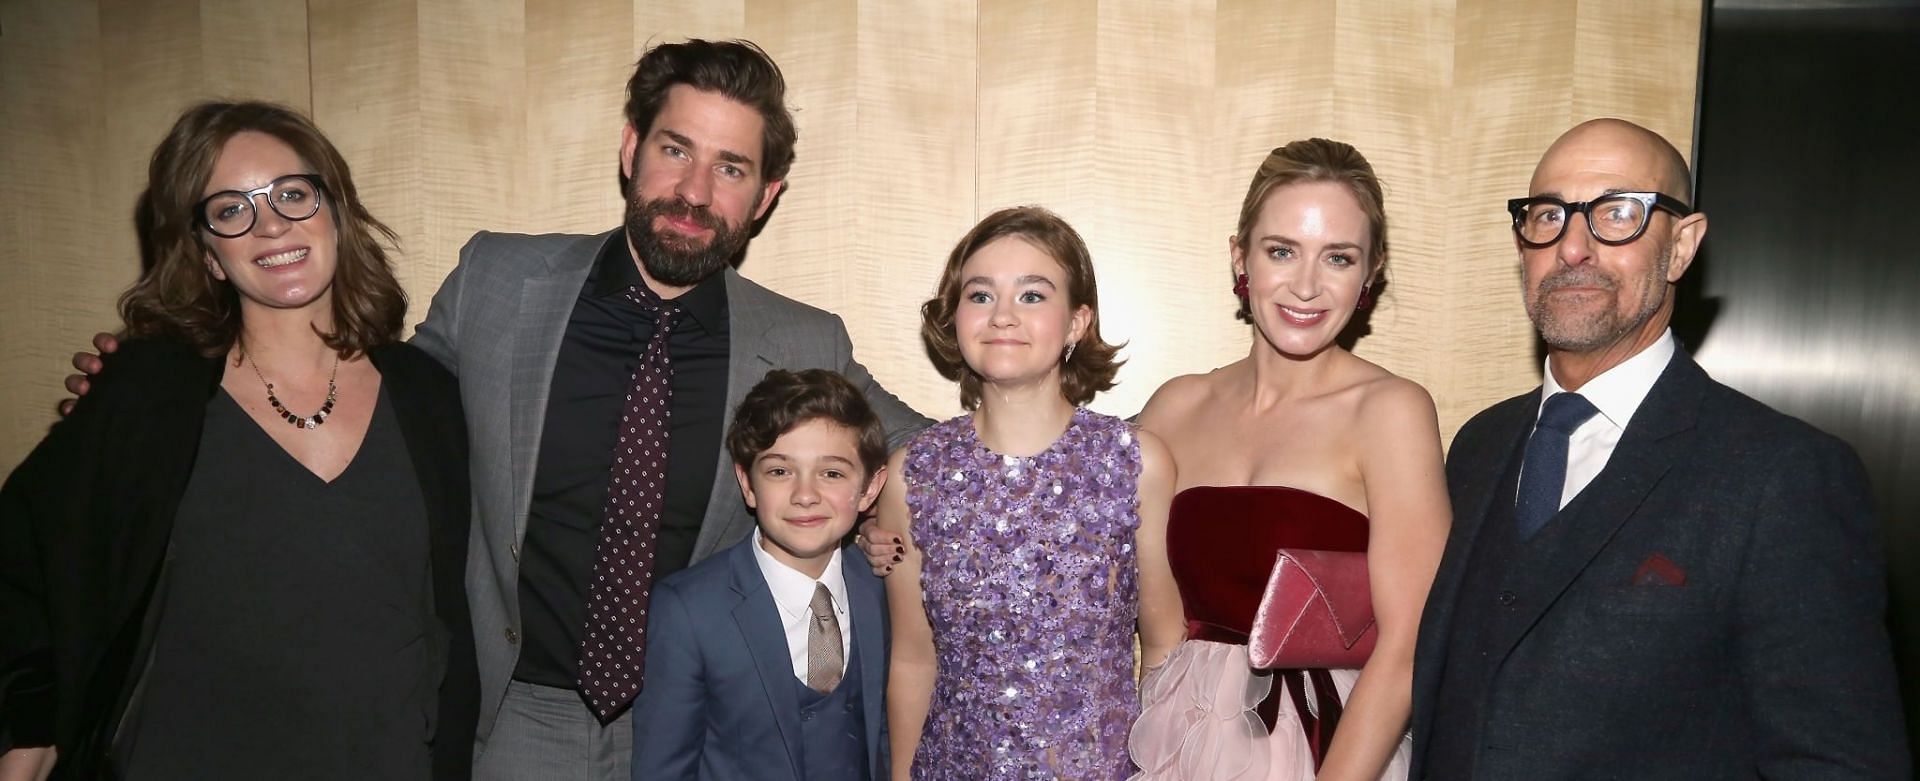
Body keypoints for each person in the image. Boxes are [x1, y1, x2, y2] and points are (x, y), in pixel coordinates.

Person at [64, 39, 928, 780]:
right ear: (631, 148)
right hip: (513, 720)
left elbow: (929, 449)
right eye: (675, 149)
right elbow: (373, 401)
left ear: (765, 194)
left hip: (697, 721)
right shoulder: (498, 283)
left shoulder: (802, 338)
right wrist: (170, 382)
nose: (694, 189)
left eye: (730, 168)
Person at [1410, 118, 1911, 779]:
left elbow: (1839, 762)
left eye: (1619, 213)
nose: (1574, 247)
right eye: (1548, 215)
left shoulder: (1783, 475)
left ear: (1681, 246)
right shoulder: (1479, 444)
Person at [0, 101, 477, 780]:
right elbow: (25, 560)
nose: (272, 223)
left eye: (292, 194)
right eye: (231, 209)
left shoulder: (428, 395)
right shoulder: (151, 393)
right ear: (208, 254)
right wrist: (31, 730)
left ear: (334, 208)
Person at [1123, 139, 1447, 780]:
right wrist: (899, 522)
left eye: (1338, 257)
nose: (1306, 285)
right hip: (1179, 739)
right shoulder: (1175, 408)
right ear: (1239, 257)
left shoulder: (1390, 411)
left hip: (1329, 745)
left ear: (1371, 272)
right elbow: (1066, 511)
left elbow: (1409, 643)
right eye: (1281, 251)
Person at [876, 206, 1184, 780]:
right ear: (955, 316)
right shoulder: (913, 475)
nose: (1003, 316)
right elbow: (914, 659)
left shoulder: (1136, 463)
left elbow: (1165, 643)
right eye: (981, 295)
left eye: (1033, 296)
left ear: (1076, 323)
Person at [630, 368, 892, 780]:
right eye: (779, 471)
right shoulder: (688, 610)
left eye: (832, 473)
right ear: (747, 484)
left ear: (870, 488)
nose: (805, 495)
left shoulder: (882, 588)